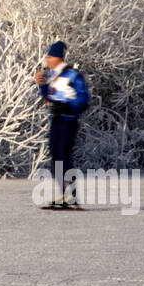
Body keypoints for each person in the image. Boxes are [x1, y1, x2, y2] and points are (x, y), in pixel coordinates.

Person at [33, 41, 90, 206]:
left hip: (68, 121)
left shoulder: (72, 75)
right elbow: (48, 97)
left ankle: (71, 194)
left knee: (64, 157)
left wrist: (68, 106)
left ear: (57, 57)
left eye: (50, 56)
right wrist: (41, 85)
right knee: (56, 156)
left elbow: (83, 98)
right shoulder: (52, 75)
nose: (47, 59)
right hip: (56, 121)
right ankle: (63, 193)